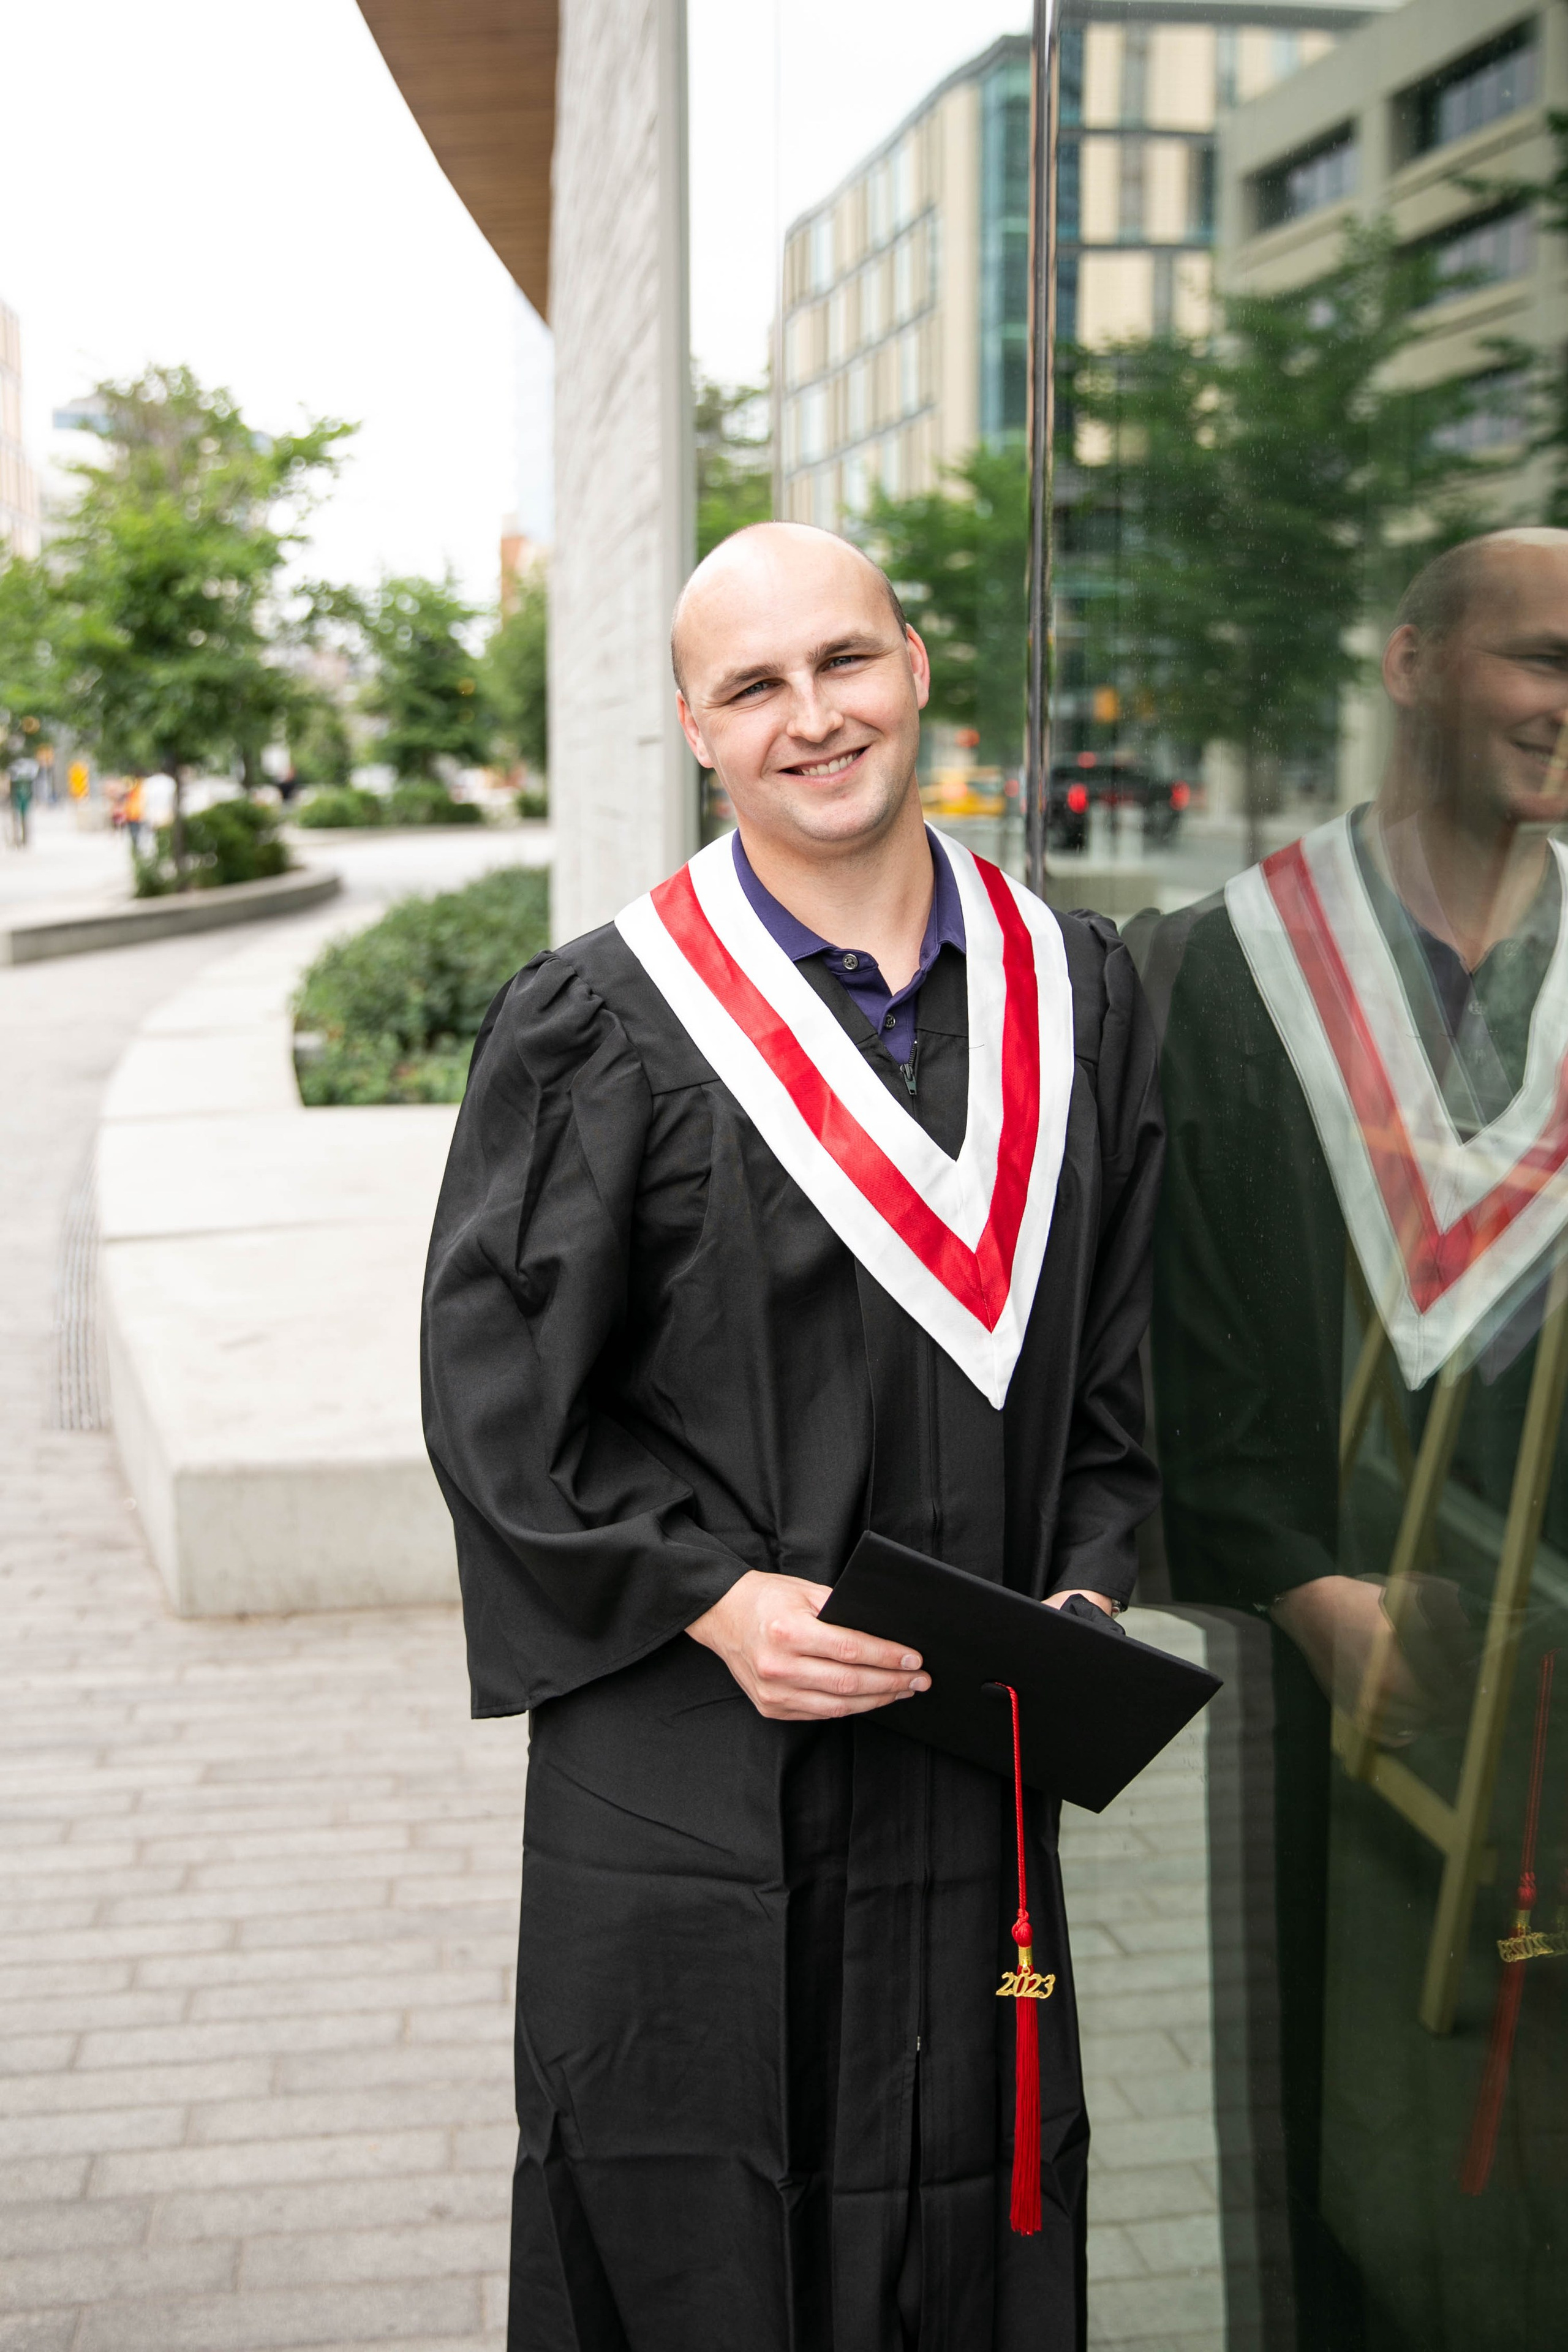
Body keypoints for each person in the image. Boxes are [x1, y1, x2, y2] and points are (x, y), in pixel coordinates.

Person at [422, 521, 1164, 2350]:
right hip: (695, 1765)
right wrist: (709, 1601)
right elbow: (500, 1409)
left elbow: (1120, 1367)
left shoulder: (1077, 993)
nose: (812, 718)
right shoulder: (600, 1019)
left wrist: (1083, 1582)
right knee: (692, 2215)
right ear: (695, 726)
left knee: (970, 2211)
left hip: (961, 1766)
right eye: (755, 687)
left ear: (915, 664)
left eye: (844, 661)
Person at [1145, 528, 1568, 2349]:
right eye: (1538, 655)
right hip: (1350, 1678)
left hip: (1557, 1663)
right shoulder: (1234, 973)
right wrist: (1300, 1582)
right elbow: (1189, 1329)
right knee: (1357, 2153)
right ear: (1411, 665)